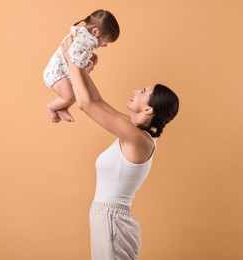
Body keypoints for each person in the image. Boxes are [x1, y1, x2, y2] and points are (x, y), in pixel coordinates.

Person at [61, 33, 180, 260]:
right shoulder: (133, 132)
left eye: (143, 92)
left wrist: (71, 59)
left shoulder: (138, 140)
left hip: (113, 221)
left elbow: (85, 105)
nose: (136, 90)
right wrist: (83, 73)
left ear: (149, 110)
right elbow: (96, 101)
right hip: (107, 218)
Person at [43, 9, 120, 123]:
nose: (105, 45)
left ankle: (63, 107)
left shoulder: (84, 38)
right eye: (106, 41)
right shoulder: (84, 39)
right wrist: (86, 68)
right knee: (69, 96)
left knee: (77, 92)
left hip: (61, 71)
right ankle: (51, 107)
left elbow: (78, 52)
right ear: (95, 32)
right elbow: (72, 54)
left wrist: (90, 55)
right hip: (56, 73)